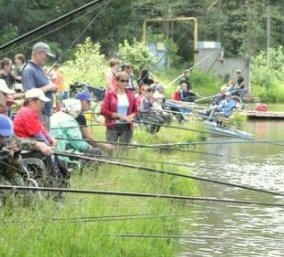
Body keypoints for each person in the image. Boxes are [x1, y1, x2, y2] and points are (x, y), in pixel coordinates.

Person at [21, 42, 58, 130]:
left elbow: (41, 87)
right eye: (46, 55)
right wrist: (49, 87)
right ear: (38, 53)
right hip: (38, 114)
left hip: (45, 113)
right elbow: (29, 94)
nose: (48, 58)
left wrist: (52, 87)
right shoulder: (29, 70)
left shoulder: (39, 69)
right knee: (42, 141)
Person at [100, 71, 137, 144]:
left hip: (127, 126)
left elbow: (135, 111)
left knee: (124, 151)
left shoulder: (131, 94)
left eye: (127, 81)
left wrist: (131, 116)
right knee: (110, 149)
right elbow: (103, 110)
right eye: (122, 81)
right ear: (116, 81)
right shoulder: (110, 94)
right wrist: (119, 116)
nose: (125, 83)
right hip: (112, 126)